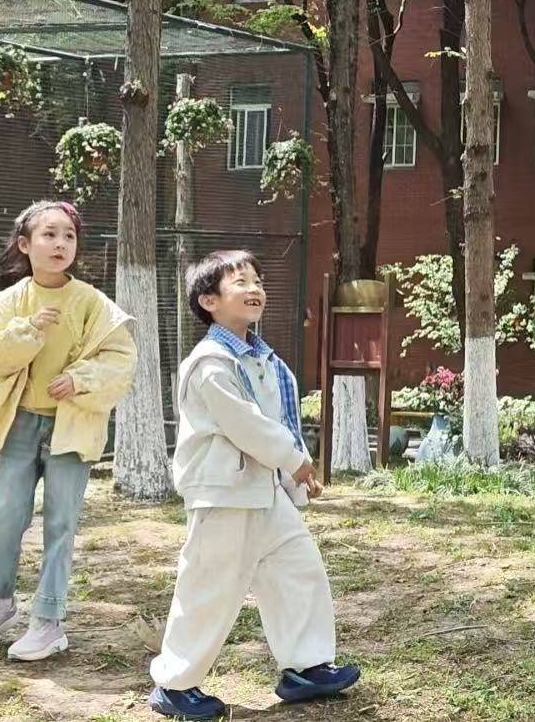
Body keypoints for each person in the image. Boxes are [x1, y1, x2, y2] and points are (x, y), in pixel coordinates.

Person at [146, 250, 360, 719]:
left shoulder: (261, 359)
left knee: (297, 569)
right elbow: (247, 425)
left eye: (258, 281)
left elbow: (277, 421)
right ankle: (175, 684)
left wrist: (292, 474)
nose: (254, 289)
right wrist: (295, 460)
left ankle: (305, 666)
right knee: (209, 586)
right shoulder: (211, 363)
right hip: (224, 493)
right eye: (240, 282)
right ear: (209, 301)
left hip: (262, 491)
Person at [0, 200, 136, 662]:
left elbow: (121, 361)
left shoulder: (92, 303)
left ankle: (49, 620)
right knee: (2, 514)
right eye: (49, 234)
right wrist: (28, 330)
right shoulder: (9, 302)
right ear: (25, 244)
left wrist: (79, 380)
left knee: (60, 521)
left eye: (69, 236)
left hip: (72, 426)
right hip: (19, 423)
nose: (60, 244)